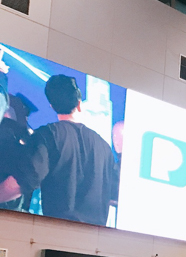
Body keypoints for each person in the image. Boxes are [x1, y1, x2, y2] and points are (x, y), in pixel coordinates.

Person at [0, 74, 118, 226]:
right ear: (79, 103)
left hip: (57, 233)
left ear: (52, 106)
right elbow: (114, 194)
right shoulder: (104, 147)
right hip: (96, 240)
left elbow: (23, 182)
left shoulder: (48, 136)